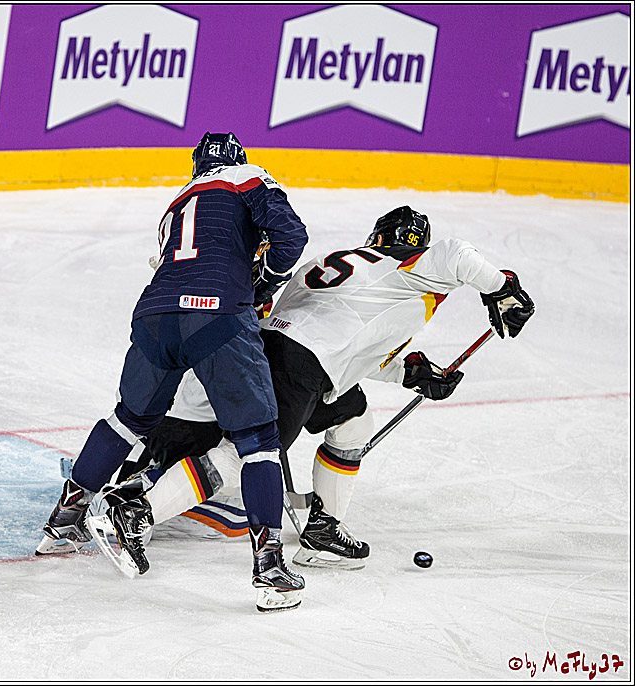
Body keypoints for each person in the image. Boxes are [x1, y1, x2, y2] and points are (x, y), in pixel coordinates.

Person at [93, 205, 535, 574]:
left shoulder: (339, 267)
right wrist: (503, 290)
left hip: (275, 353)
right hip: (299, 367)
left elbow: (346, 346)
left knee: (355, 417)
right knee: (247, 454)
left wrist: (410, 372)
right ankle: (138, 513)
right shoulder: (412, 265)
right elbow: (458, 254)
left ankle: (323, 530)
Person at [36, 132, 310, 612]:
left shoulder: (176, 203)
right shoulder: (248, 177)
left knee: (128, 420)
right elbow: (291, 238)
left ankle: (65, 520)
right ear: (240, 160)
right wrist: (265, 281)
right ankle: (270, 569)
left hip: (155, 315)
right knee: (259, 442)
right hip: (218, 316)